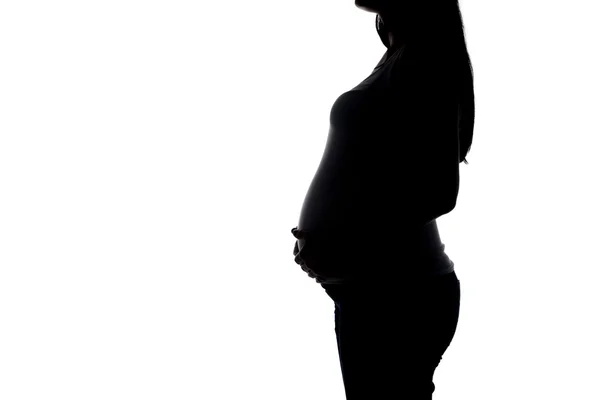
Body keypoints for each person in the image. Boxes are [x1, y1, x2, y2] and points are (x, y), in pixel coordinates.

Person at [290, 0, 476, 398]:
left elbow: (440, 192)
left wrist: (340, 239)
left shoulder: (425, 61)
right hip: (375, 293)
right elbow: (374, 178)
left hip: (398, 298)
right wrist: (323, 237)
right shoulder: (398, 56)